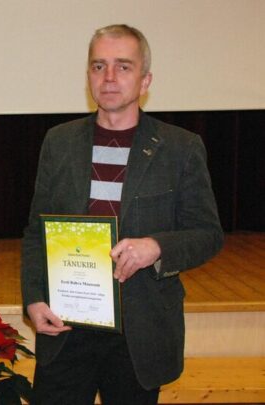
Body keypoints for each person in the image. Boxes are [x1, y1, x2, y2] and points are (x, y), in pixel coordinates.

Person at [21, 24, 223, 404]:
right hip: (65, 327)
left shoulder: (180, 147)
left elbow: (208, 234)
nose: (109, 77)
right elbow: (36, 231)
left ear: (146, 80)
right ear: (88, 76)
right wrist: (33, 298)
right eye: (99, 66)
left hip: (139, 334)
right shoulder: (58, 141)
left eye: (123, 66)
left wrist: (156, 247)